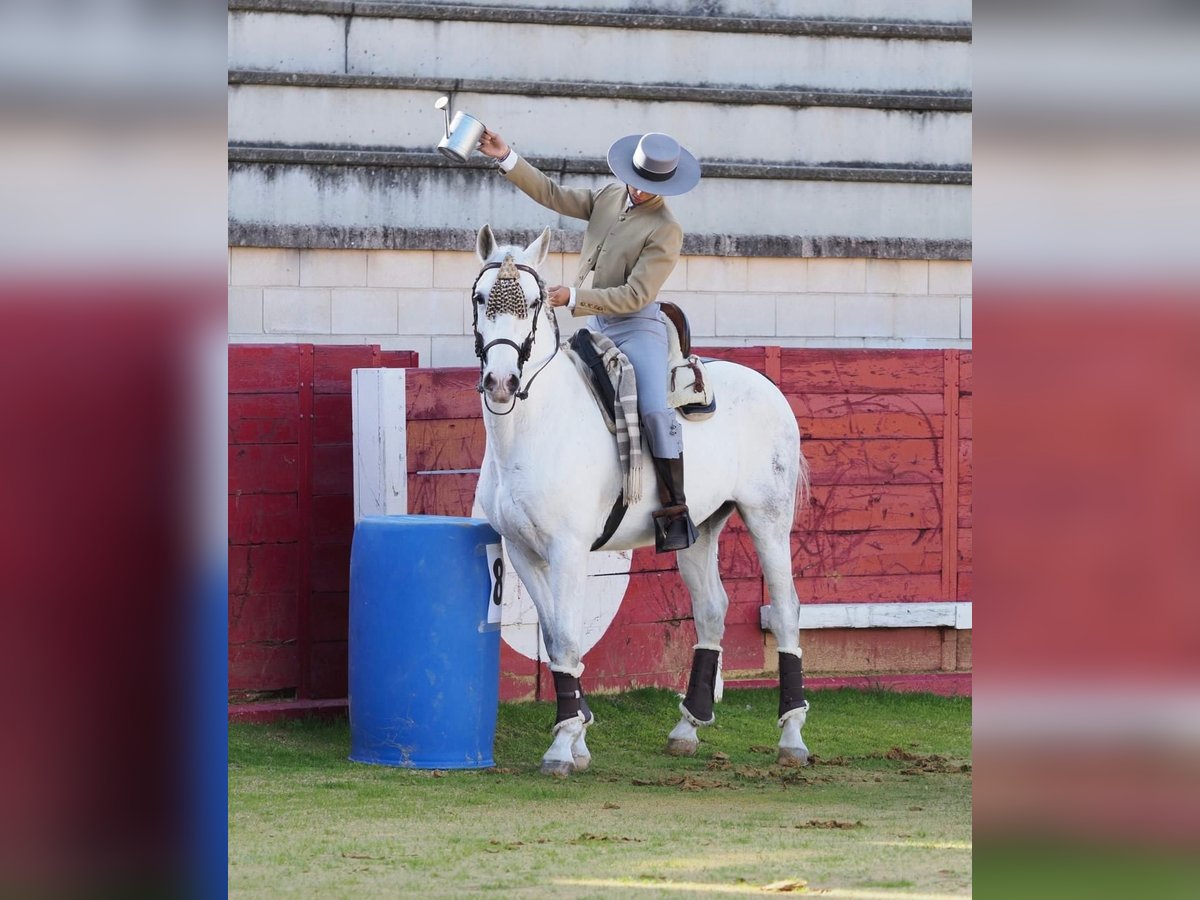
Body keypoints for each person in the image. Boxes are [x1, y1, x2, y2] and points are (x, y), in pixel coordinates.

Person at [478, 127, 701, 552]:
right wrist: (506, 155)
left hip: (636, 328)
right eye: (636, 178)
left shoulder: (666, 230)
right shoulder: (608, 197)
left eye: (647, 185)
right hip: (595, 327)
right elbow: (553, 195)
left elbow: (637, 294)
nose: (637, 188)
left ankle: (675, 508)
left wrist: (575, 296)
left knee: (654, 409)